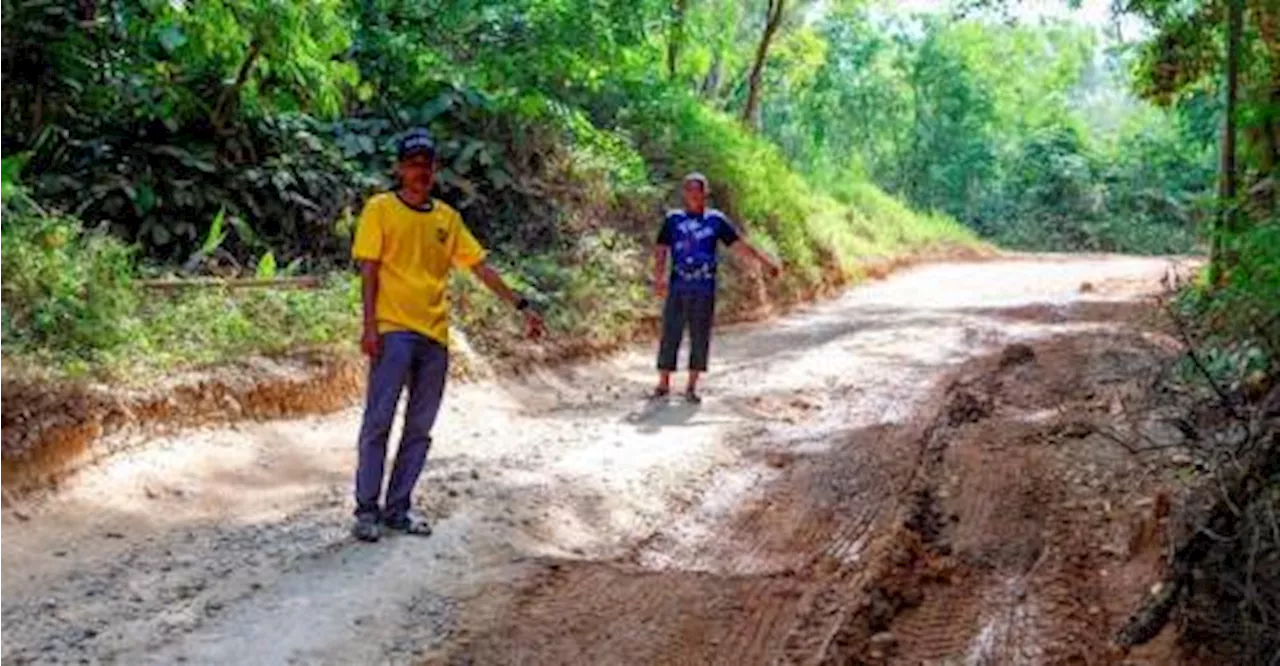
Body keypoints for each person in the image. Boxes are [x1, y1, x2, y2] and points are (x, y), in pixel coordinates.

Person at [349, 127, 544, 542]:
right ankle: (366, 509)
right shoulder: (380, 209)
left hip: (435, 338)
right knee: (378, 423)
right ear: (401, 168)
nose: (421, 171)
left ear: (434, 170)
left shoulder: (447, 219)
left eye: (427, 164)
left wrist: (521, 305)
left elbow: (480, 267)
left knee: (419, 428)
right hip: (393, 331)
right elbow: (368, 269)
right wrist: (369, 326)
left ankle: (397, 509)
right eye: (413, 163)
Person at [653, 173, 781, 403]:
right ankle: (663, 383)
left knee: (699, 335)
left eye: (698, 190)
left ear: (705, 193)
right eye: (689, 190)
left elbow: (739, 245)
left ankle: (691, 386)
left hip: (704, 288)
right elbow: (661, 248)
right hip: (678, 285)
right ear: (684, 193)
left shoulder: (715, 221)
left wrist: (765, 262)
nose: (693, 195)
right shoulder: (673, 220)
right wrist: (659, 277)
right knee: (670, 332)